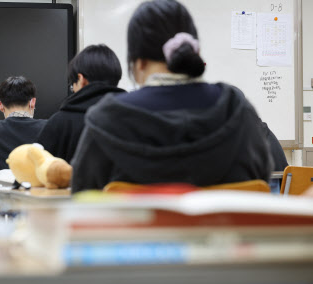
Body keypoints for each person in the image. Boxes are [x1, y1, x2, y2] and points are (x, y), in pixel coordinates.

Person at [71, 0, 274, 193]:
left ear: (138, 63)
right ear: (196, 51)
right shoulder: (237, 110)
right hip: (225, 230)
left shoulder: (106, 121)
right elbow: (262, 183)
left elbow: (82, 200)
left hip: (134, 230)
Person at [37, 44, 125, 163]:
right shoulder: (134, 116)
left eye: (73, 85)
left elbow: (32, 171)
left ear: (81, 79)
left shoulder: (61, 122)